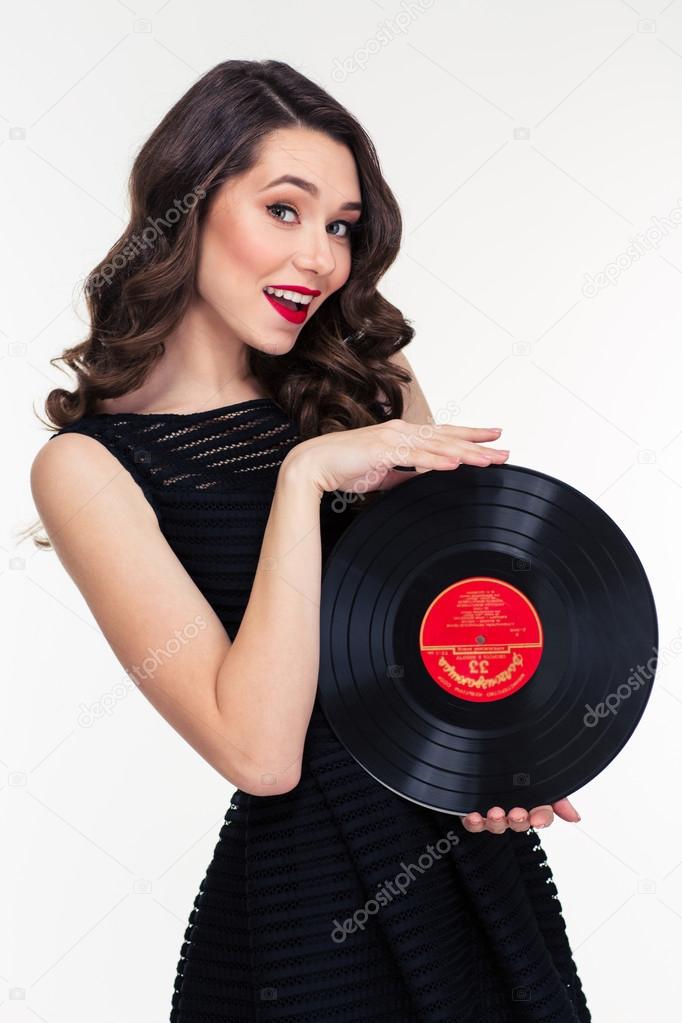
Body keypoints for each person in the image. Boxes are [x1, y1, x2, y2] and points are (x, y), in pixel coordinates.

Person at [28, 59, 590, 1022]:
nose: (323, 259)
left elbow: (448, 637)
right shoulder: (90, 466)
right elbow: (260, 753)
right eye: (285, 210)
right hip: (304, 915)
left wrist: (509, 763)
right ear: (189, 205)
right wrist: (304, 479)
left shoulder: (372, 381)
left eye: (341, 226)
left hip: (475, 874)